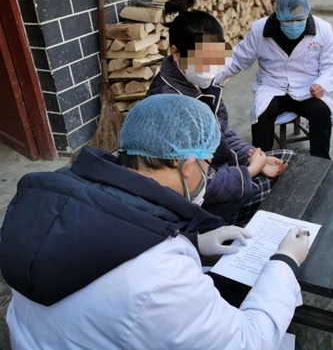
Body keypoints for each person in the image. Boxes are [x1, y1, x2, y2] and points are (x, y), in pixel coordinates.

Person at [0, 94, 310, 350]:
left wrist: (194, 242)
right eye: (207, 163)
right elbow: (248, 342)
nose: (208, 173)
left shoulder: (62, 191)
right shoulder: (162, 277)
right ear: (187, 165)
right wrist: (284, 263)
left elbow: (106, 235)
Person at [147, 0, 294, 225]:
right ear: (176, 53)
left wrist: (252, 156)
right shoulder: (170, 105)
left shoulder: (201, 82)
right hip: (197, 203)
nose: (211, 66)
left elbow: (223, 133)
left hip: (222, 171)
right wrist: (250, 171)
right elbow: (195, 183)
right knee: (283, 191)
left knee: (288, 161)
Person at [215, 0, 333, 160]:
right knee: (261, 113)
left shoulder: (323, 29)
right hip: (273, 86)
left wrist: (322, 84)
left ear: (307, 15)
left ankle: (320, 162)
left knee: (322, 111)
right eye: (288, 21)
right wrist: (209, 79)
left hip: (307, 88)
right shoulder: (259, 29)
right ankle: (261, 161)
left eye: (299, 20)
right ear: (278, 16)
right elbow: (238, 59)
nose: (294, 24)